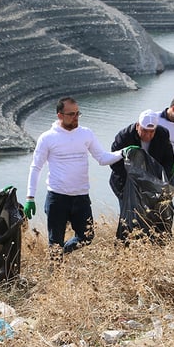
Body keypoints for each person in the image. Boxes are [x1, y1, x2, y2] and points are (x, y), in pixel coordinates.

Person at [24, 97, 123, 254]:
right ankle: (56, 274)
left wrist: (123, 152)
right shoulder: (47, 138)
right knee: (54, 242)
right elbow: (36, 167)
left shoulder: (86, 134)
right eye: (71, 114)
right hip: (57, 198)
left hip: (81, 197)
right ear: (60, 115)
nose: (75, 117)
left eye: (78, 113)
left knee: (87, 236)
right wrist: (30, 198)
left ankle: (62, 252)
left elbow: (103, 158)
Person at [109, 109, 174, 239]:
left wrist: (158, 181)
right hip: (125, 182)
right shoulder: (124, 136)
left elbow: (168, 159)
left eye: (152, 132)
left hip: (153, 183)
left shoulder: (162, 134)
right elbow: (114, 163)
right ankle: (126, 243)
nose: (148, 135)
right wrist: (135, 182)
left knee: (160, 211)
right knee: (129, 213)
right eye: (145, 131)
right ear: (137, 126)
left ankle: (156, 241)